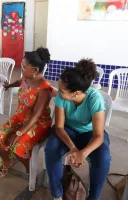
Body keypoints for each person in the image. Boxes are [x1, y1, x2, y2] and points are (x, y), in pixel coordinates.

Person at [45, 59, 111, 200]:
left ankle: (93, 197)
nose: (58, 92)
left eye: (62, 90)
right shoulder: (61, 98)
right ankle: (57, 194)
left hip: (90, 133)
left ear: (76, 93)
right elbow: (59, 127)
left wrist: (84, 152)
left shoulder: (95, 99)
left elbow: (98, 135)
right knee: (51, 149)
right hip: (67, 131)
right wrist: (74, 149)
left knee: (103, 158)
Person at [0, 48, 54, 177]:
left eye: (24, 67)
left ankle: (29, 170)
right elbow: (19, 82)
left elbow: (36, 115)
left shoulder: (44, 89)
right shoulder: (26, 78)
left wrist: (18, 132)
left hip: (38, 123)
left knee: (17, 147)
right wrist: (8, 86)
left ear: (35, 70)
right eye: (21, 65)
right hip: (21, 117)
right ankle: (7, 162)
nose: (21, 69)